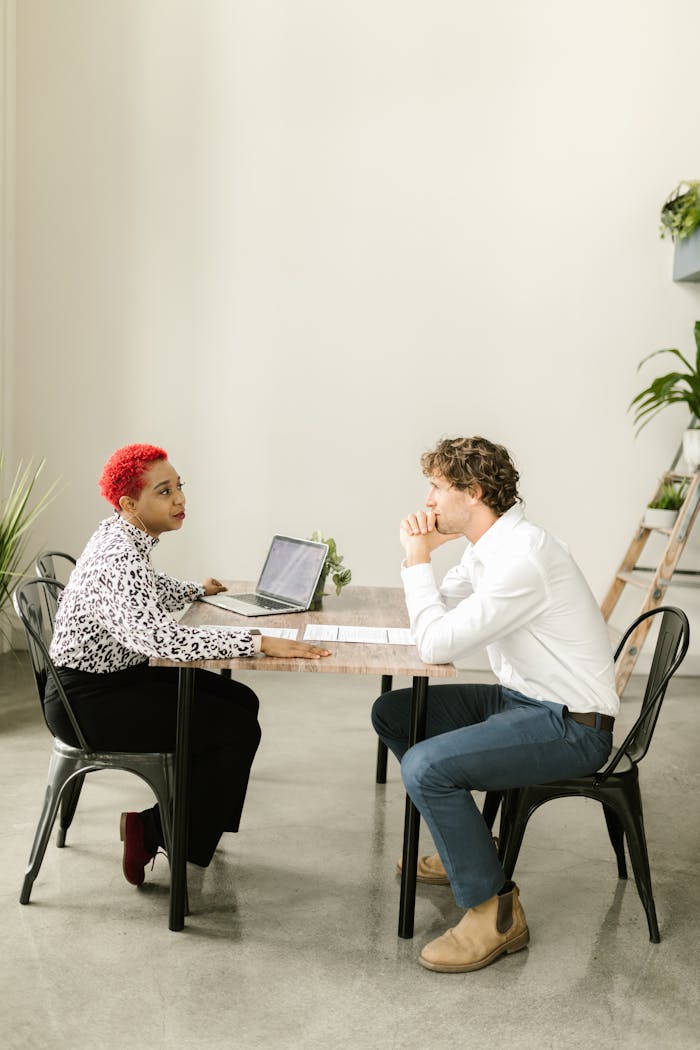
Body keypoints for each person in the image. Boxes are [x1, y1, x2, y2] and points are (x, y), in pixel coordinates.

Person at [371, 436, 618, 973]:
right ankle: (471, 852)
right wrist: (427, 558)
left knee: (427, 765)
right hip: (523, 701)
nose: (429, 501)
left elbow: (435, 642)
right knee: (391, 713)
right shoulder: (490, 548)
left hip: (572, 725)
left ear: (474, 492)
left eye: (438, 487)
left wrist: (416, 558)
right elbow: (441, 607)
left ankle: (495, 913)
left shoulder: (523, 558)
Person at [45, 443, 331, 887]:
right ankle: (154, 830)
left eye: (179, 486)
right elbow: (161, 639)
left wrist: (193, 591)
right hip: (88, 702)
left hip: (116, 678)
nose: (180, 499)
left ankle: (183, 824)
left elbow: (147, 589)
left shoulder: (120, 533)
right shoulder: (118, 556)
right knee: (237, 728)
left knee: (241, 700)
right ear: (129, 504)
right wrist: (259, 641)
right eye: (164, 491)